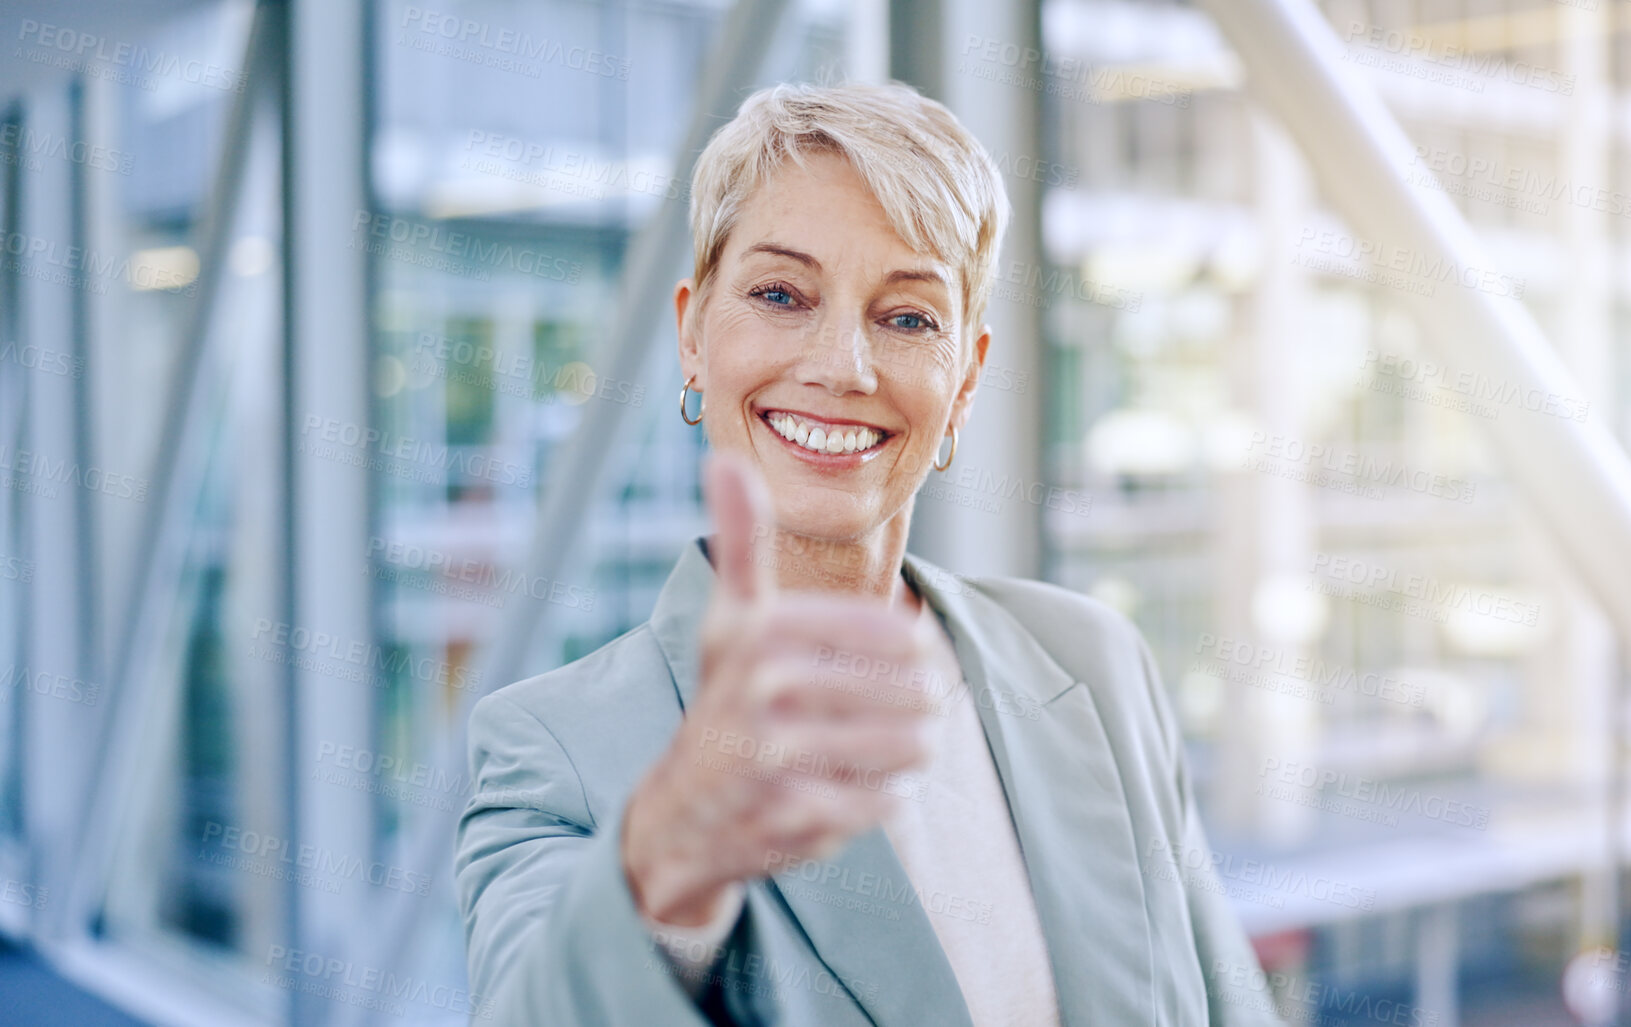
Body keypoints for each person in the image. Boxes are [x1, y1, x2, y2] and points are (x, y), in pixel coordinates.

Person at [454, 80, 1277, 1026]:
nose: (842, 365)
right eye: (779, 294)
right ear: (691, 331)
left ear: (964, 378)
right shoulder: (553, 751)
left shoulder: (1094, 664)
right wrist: (664, 864)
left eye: (907, 317)